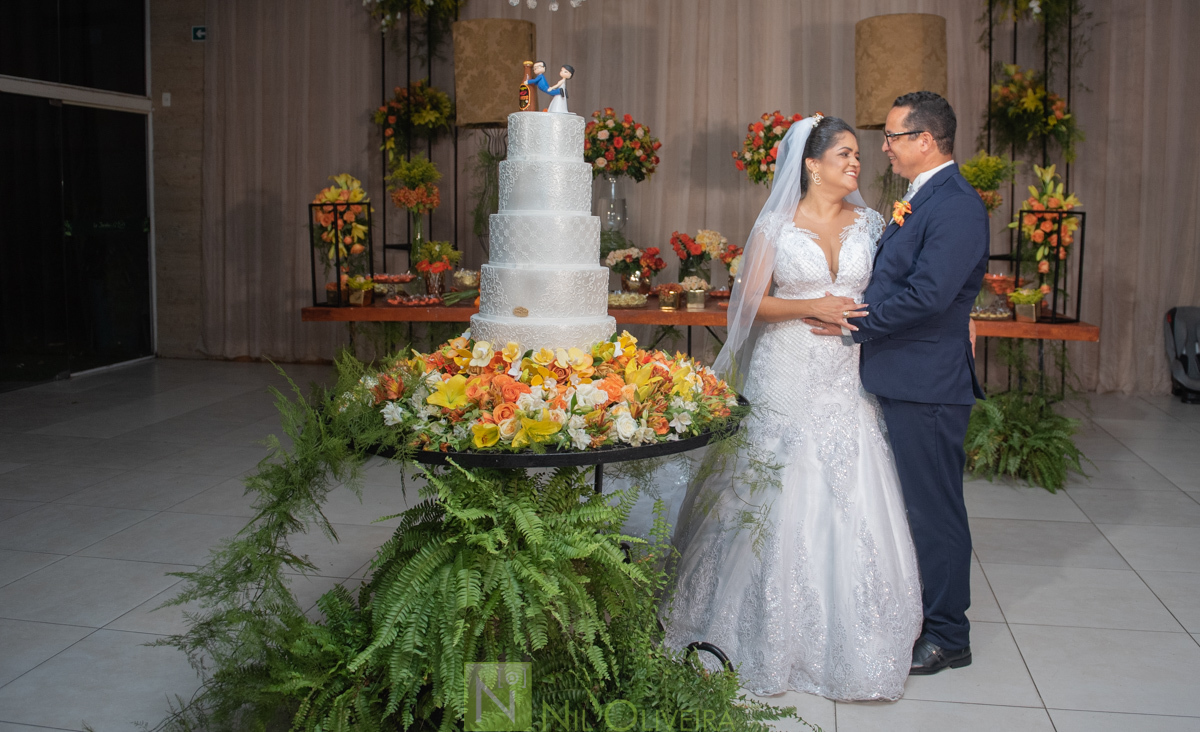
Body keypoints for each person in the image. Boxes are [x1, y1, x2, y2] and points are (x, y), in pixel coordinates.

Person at [664, 115, 923, 701]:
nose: (857, 163)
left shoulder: (874, 223)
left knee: (850, 483)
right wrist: (816, 307)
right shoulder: (776, 227)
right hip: (785, 368)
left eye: (859, 155)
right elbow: (747, 305)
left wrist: (852, 314)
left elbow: (890, 294)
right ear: (811, 164)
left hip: (846, 375)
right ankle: (755, 626)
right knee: (774, 485)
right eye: (845, 154)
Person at [806, 91, 989, 675]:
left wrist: (853, 324)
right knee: (912, 506)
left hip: (928, 385)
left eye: (891, 137)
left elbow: (931, 296)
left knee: (935, 510)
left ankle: (948, 635)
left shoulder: (956, 204)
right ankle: (923, 615)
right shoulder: (922, 197)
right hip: (903, 377)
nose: (882, 147)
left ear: (925, 141)